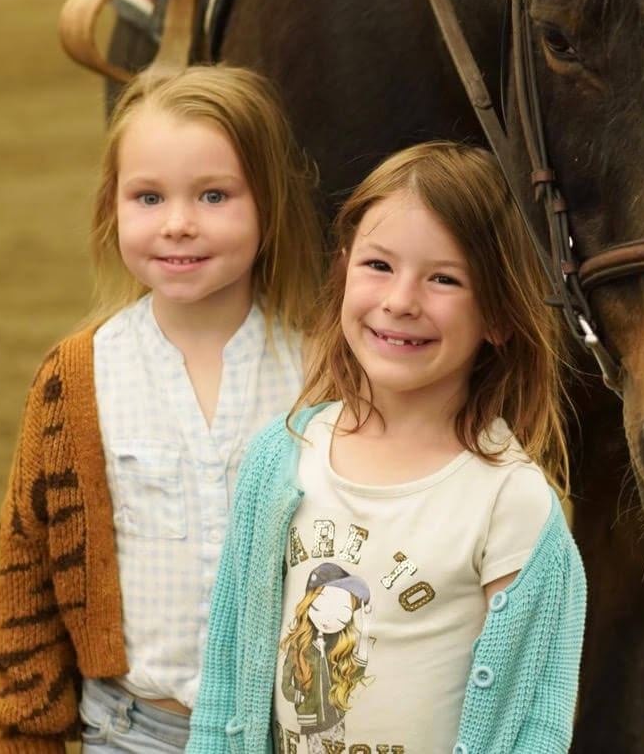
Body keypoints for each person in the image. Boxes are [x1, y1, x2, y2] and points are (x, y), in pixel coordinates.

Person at [188, 142, 587, 754]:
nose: (401, 300)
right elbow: (227, 679)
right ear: (343, 268)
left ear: (500, 315)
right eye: (378, 265)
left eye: (444, 278)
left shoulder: (512, 503)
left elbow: (532, 723)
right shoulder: (281, 456)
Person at [0, 64, 323, 754]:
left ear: (269, 203)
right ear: (112, 207)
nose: (179, 224)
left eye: (215, 194)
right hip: (132, 732)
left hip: (296, 733)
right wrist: (28, 735)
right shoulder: (76, 379)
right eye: (148, 197)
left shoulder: (321, 372)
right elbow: (29, 572)